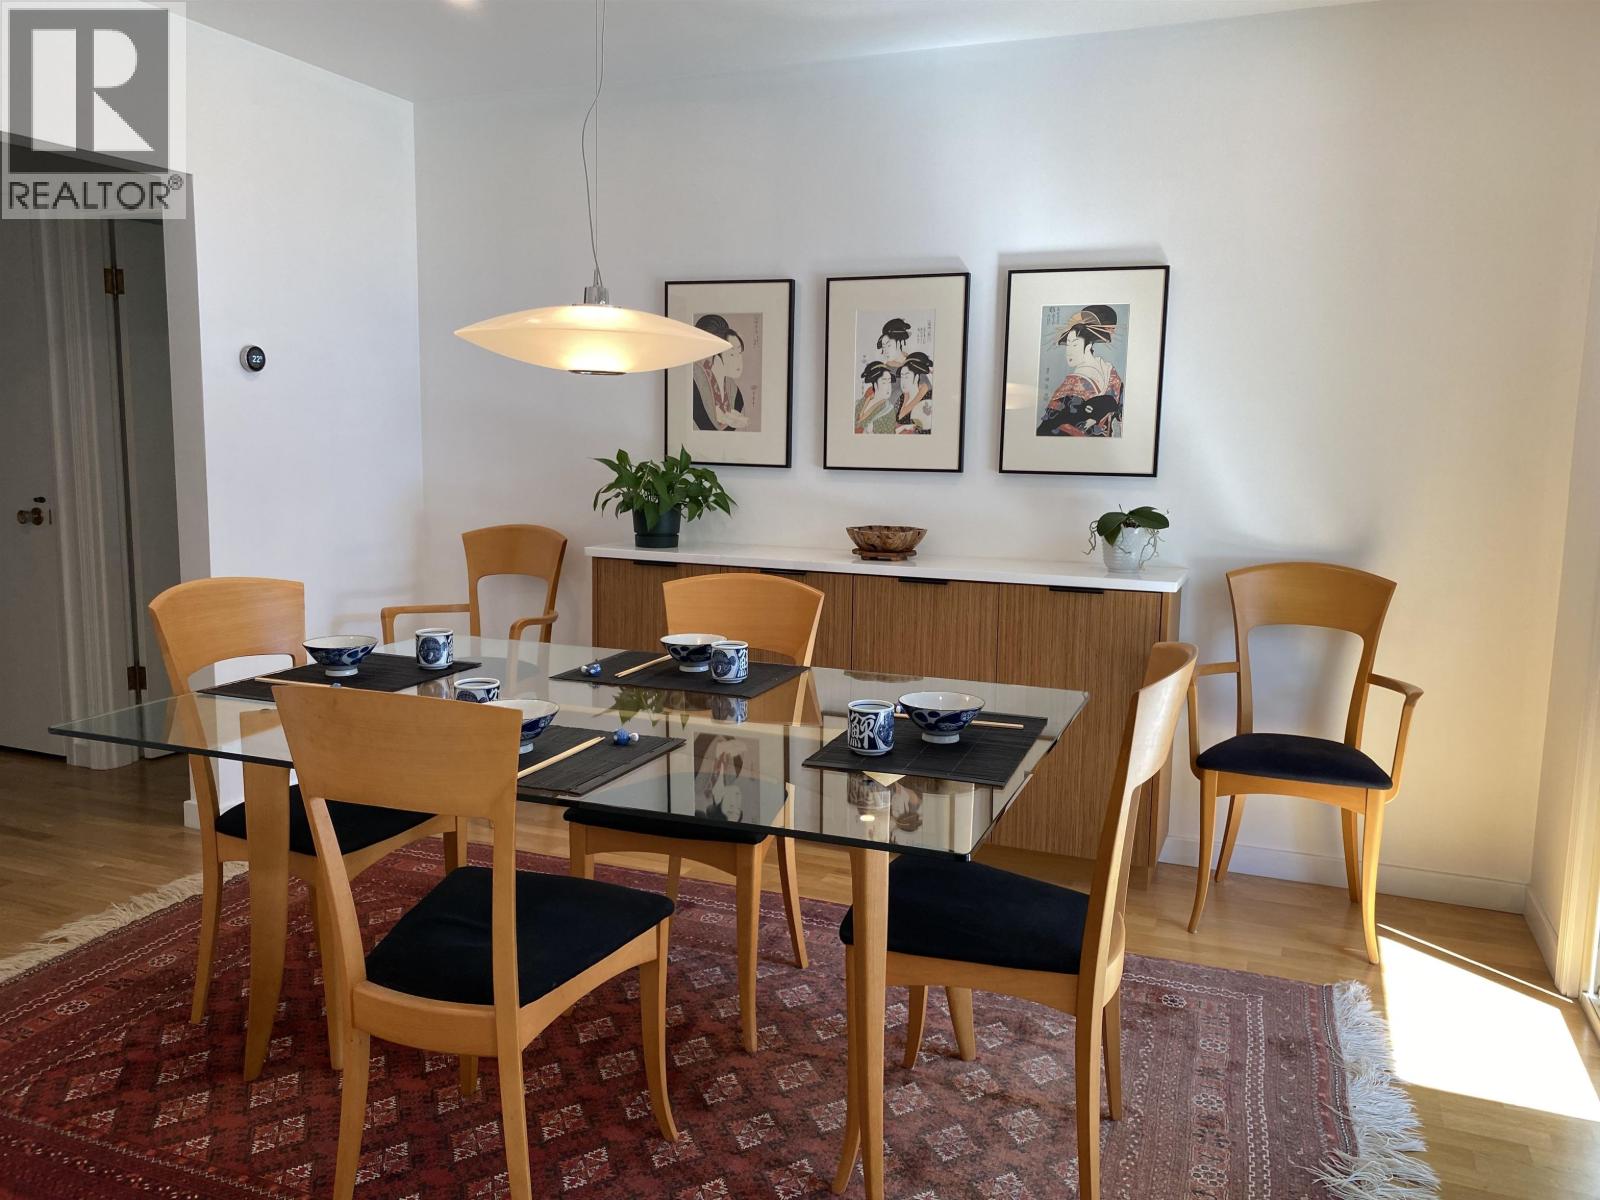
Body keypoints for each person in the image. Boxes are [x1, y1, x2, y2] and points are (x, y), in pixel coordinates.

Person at [1037, 305, 1123, 437]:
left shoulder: (1072, 383)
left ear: (1088, 346)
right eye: (1068, 344)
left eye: (1075, 344)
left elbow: (1048, 427)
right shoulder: (1111, 372)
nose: (1069, 351)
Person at [691, 314, 749, 431]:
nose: (739, 360)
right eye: (732, 354)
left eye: (739, 353)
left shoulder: (734, 392)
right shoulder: (693, 385)